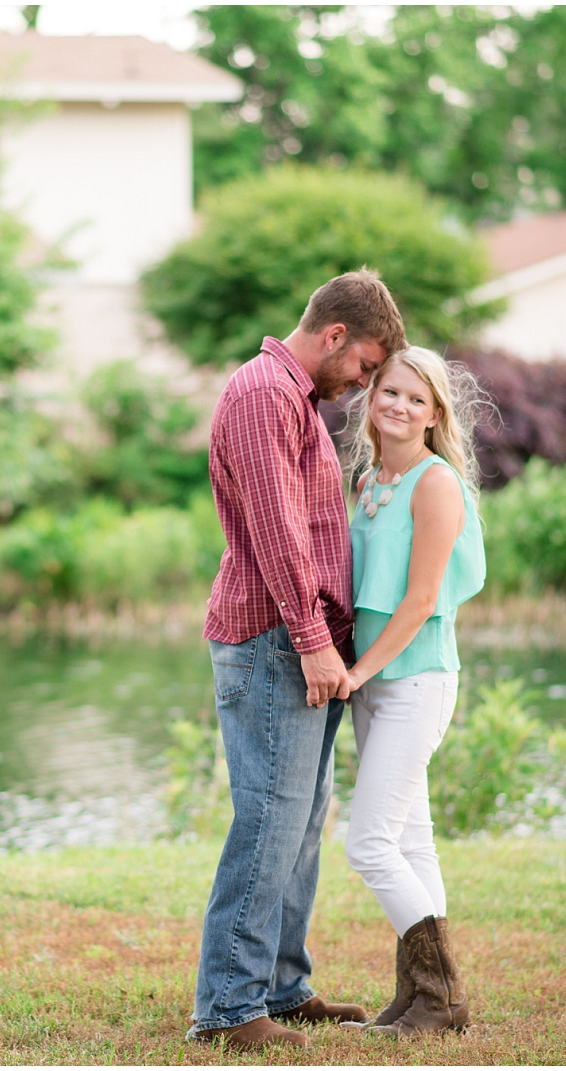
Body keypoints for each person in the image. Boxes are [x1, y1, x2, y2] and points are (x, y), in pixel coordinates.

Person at [188, 270, 406, 1052]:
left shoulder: (297, 401)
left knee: (302, 821)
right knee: (270, 820)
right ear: (336, 334)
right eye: (363, 364)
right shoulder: (262, 395)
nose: (363, 384)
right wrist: (314, 640)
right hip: (274, 640)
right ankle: (226, 1007)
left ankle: (281, 985)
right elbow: (277, 532)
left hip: (300, 639)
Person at [339, 346, 487, 1038]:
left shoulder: (435, 483)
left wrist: (359, 673)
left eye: (415, 399)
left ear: (434, 416)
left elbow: (423, 596)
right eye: (389, 391)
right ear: (373, 399)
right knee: (412, 841)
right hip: (375, 683)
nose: (398, 405)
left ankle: (442, 991)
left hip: (415, 680)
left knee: (368, 842)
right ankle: (417, 998)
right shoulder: (372, 480)